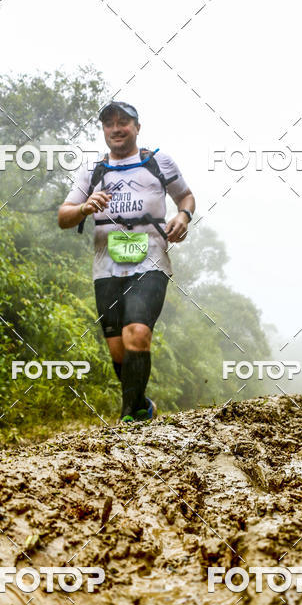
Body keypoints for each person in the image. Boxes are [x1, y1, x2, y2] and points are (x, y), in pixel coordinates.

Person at [58, 101, 195, 422]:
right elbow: (64, 217)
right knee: (118, 348)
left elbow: (185, 196)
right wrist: (84, 208)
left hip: (151, 262)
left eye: (123, 122)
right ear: (104, 130)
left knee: (137, 332)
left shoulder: (157, 161)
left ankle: (127, 419)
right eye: (109, 123)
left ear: (137, 127)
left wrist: (184, 216)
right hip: (106, 267)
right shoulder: (93, 171)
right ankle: (142, 406)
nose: (116, 129)